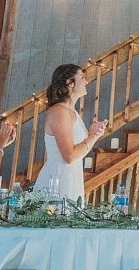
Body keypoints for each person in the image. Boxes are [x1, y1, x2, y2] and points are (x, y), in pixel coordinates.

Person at [34, 64, 109, 205]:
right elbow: (69, 156)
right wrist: (92, 136)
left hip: (72, 177)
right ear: (70, 83)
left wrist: (94, 134)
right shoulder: (59, 112)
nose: (86, 82)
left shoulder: (71, 112)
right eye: (81, 77)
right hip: (57, 179)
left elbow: (78, 153)